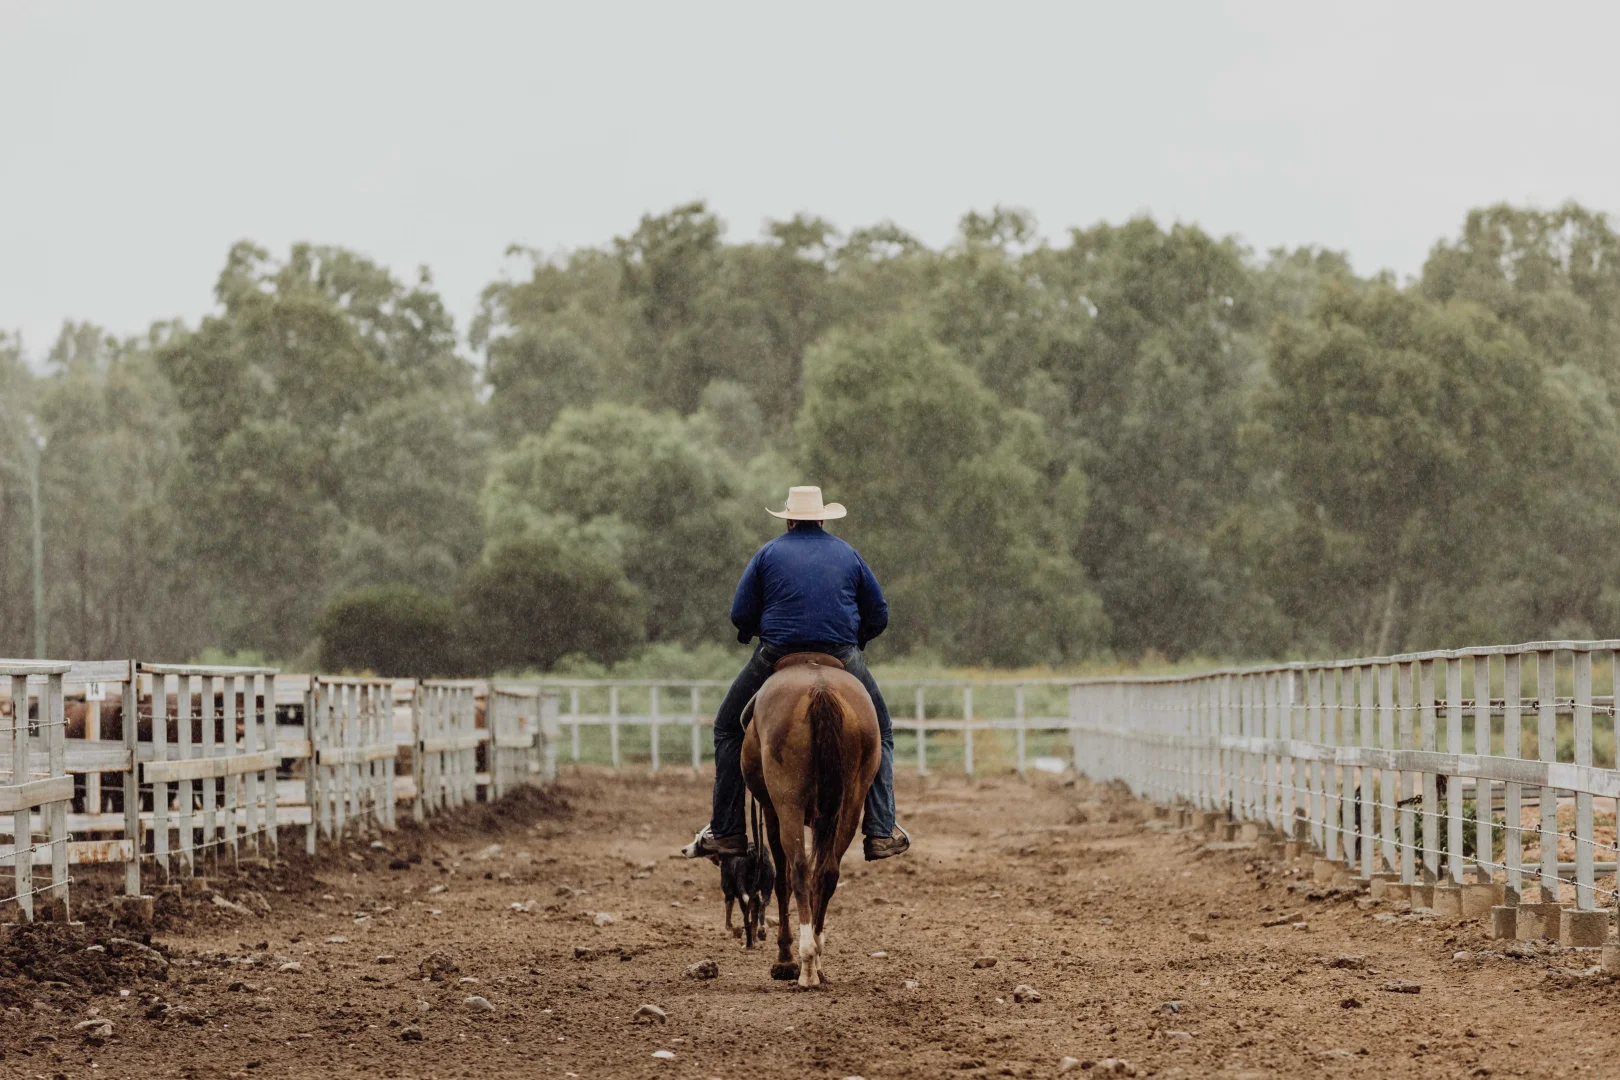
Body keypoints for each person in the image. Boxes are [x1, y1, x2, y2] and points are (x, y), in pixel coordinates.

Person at [684, 485, 909, 862]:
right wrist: (858, 642)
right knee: (881, 731)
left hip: (778, 651)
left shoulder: (768, 553)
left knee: (726, 728)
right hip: (839, 652)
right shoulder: (848, 554)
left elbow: (740, 612)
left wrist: (751, 632)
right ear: (822, 518)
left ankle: (727, 830)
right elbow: (879, 613)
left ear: (788, 519)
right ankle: (881, 829)